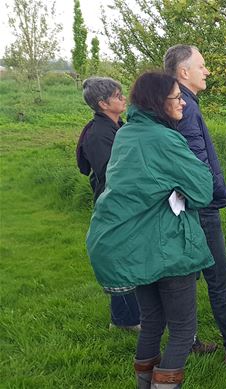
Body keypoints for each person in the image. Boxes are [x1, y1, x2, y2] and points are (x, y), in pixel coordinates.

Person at [85, 71, 214, 389]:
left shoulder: (128, 133)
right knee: (183, 329)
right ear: (159, 102)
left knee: (153, 322)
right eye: (176, 97)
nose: (183, 102)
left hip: (133, 247)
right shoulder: (164, 138)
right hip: (165, 247)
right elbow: (202, 188)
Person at [163, 44, 226, 365]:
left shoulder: (172, 103)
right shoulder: (186, 107)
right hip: (199, 207)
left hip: (179, 205)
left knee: (185, 274)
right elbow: (197, 164)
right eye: (201, 65)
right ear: (183, 72)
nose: (206, 71)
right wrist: (206, 198)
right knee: (219, 279)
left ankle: (188, 338)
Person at [76, 76, 141, 332]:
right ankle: (125, 320)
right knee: (121, 259)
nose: (123, 98)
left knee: (130, 256)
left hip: (125, 203)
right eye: (117, 96)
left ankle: (129, 316)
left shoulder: (116, 126)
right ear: (103, 103)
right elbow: (111, 173)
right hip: (114, 204)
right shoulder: (99, 134)